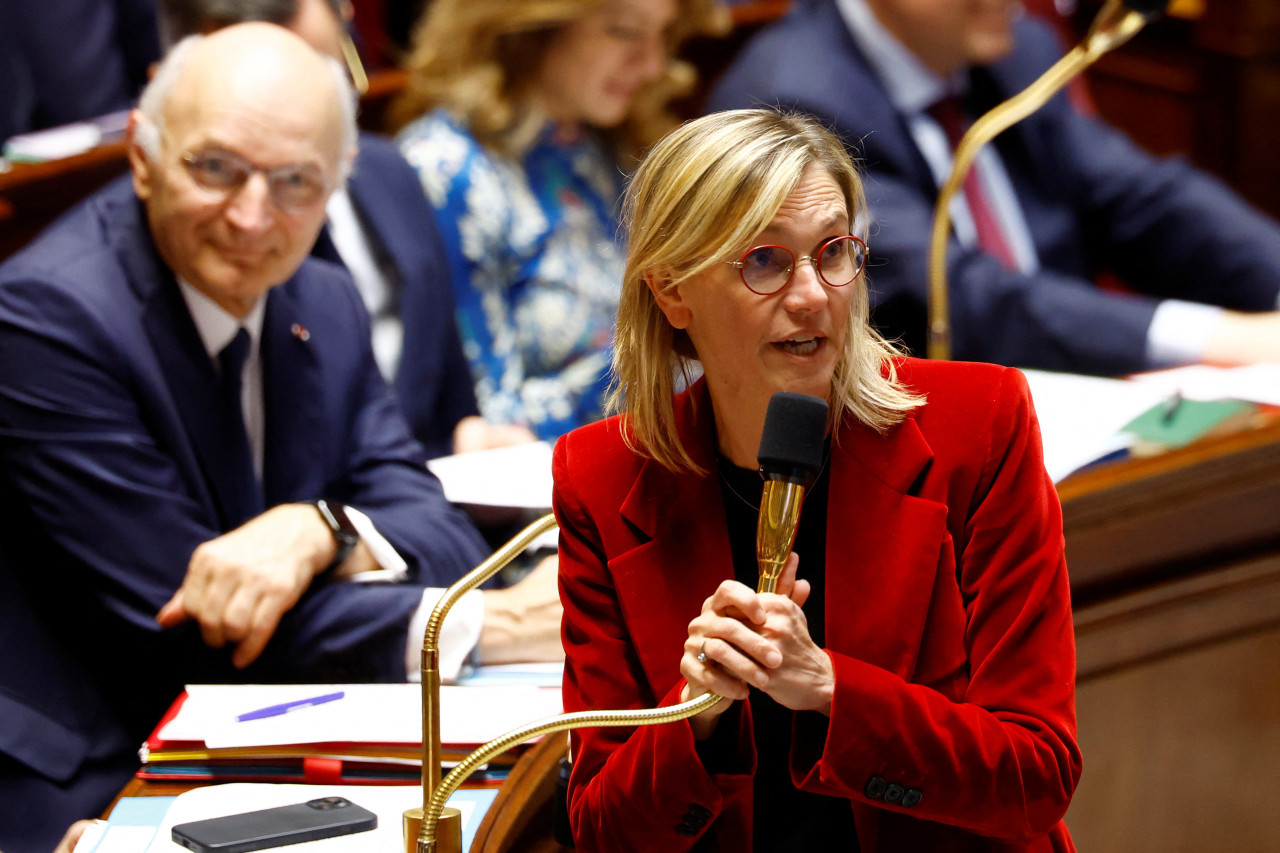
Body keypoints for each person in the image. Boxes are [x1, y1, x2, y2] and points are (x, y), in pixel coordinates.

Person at [0, 26, 551, 853]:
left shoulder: (321, 297)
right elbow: (195, 619)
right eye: (215, 168)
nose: (254, 217)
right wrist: (484, 624)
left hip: (268, 718)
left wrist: (318, 529)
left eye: (295, 182)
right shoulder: (48, 316)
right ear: (145, 156)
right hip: (92, 753)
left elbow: (428, 522)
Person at [553, 109, 1080, 851]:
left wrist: (831, 688)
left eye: (834, 251)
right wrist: (693, 715)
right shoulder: (602, 477)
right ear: (672, 292)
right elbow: (601, 832)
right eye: (764, 260)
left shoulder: (979, 425)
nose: (812, 294)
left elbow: (1038, 775)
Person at [707, 0, 1280, 376]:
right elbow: (954, 299)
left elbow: (1143, 201)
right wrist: (1221, 338)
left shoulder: (1016, 50)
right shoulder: (789, 104)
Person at [155, 0, 533, 457]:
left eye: (319, 78)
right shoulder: (229, 238)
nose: (253, 214)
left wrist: (466, 441)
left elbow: (449, 391)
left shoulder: (388, 170)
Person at [392, 0, 727, 439]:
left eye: (662, 35)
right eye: (624, 32)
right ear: (533, 26)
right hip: (546, 481)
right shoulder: (445, 170)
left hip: (662, 454)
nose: (652, 64)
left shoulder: (616, 139)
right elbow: (489, 424)